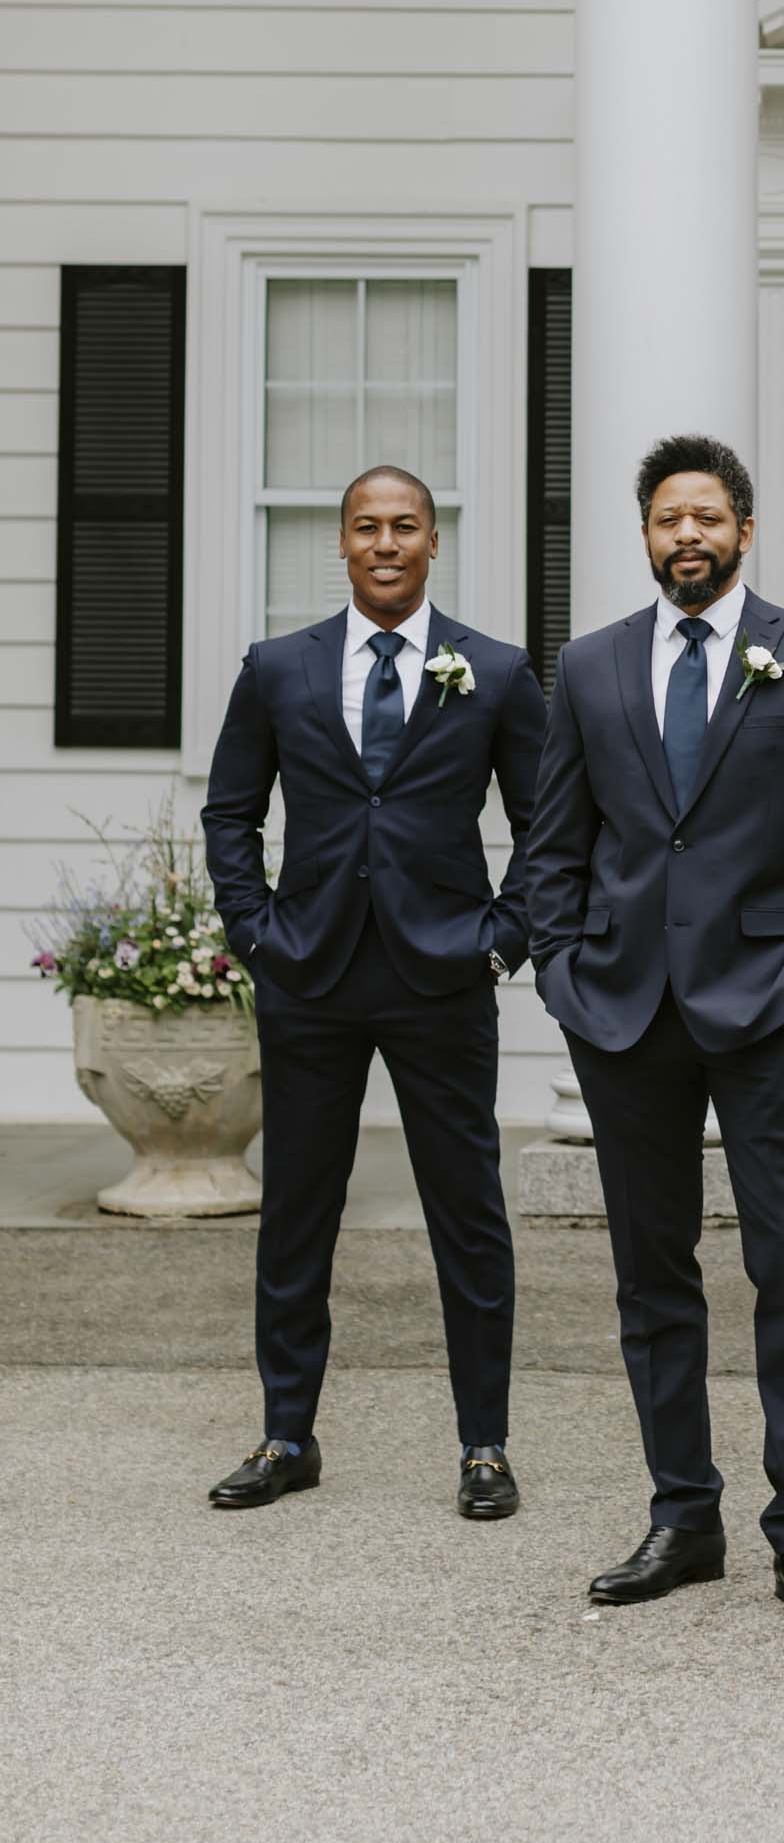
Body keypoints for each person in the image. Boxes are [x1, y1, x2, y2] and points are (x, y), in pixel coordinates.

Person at [525, 434, 784, 1630]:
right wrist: (564, 974)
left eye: (706, 516)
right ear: (644, 535)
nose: (686, 535)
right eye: (666, 518)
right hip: (625, 1013)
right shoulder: (588, 668)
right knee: (651, 1274)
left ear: (743, 528)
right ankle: (683, 1512)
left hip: (768, 1009)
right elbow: (553, 845)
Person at [201, 465, 546, 1519]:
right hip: (311, 974)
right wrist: (257, 933)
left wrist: (501, 941)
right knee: (297, 1212)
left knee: (468, 1215)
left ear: (433, 544)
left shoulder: (492, 671)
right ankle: (286, 1433)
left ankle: (483, 1445)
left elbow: (549, 828)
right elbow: (229, 812)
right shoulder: (277, 669)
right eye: (366, 527)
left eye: (405, 527)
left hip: (442, 975)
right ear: (341, 545)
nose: (385, 542)